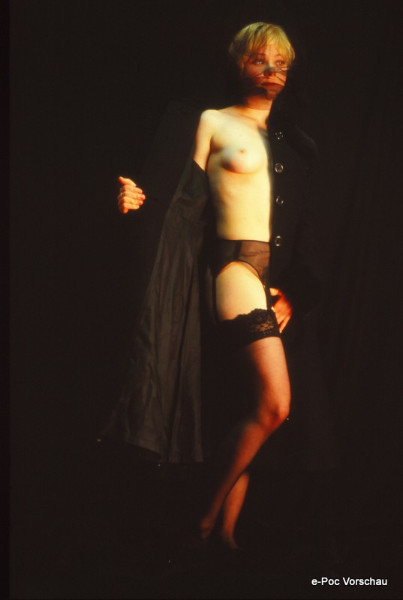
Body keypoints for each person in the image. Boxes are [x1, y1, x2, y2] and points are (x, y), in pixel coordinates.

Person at [103, 22, 334, 551]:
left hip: (274, 281)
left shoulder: (296, 145)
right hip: (234, 268)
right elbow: (178, 198)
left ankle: (224, 538)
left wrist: (298, 292)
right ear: (239, 64)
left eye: (281, 62)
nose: (272, 70)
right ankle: (204, 518)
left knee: (247, 406)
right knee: (275, 403)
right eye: (260, 60)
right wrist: (136, 200)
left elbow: (305, 229)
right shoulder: (213, 120)